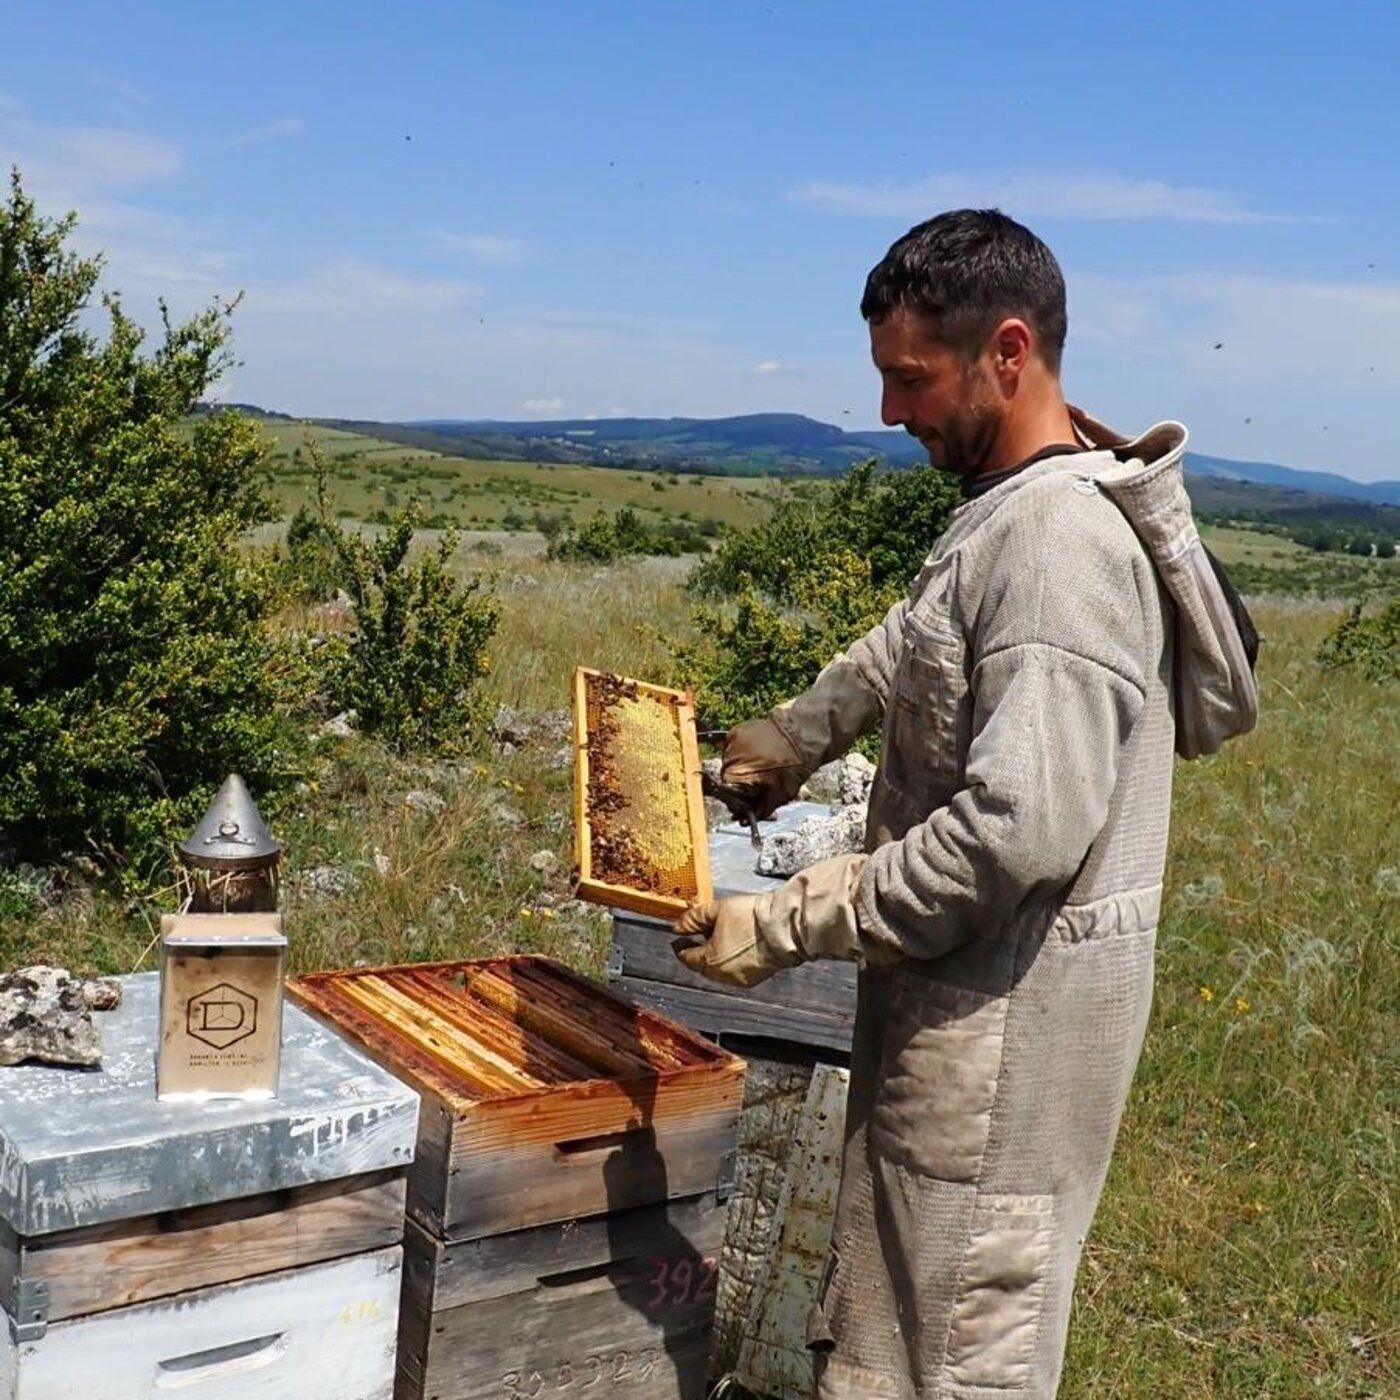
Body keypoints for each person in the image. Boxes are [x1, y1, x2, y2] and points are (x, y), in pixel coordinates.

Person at [672, 209, 1258, 1399]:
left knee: (946, 1368)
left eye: (909, 378)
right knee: (893, 1341)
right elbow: (926, 638)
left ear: (1004, 351)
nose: (890, 412)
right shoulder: (1012, 504)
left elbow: (1012, 831)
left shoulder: (1056, 544)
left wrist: (786, 920)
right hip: (956, 1048)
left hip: (997, 1078)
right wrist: (801, 726)